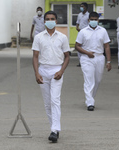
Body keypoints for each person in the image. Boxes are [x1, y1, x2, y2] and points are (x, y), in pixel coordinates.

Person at [32, 11, 70, 143]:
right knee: (48, 103)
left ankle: (55, 130)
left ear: (56, 21)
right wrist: (37, 72)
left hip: (56, 70)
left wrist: (61, 71)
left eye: (52, 19)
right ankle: (53, 128)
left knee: (55, 100)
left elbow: (67, 56)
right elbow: (35, 56)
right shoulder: (39, 37)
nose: (50, 21)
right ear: (44, 21)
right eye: (47, 19)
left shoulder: (62, 37)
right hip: (43, 70)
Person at [75, 12, 111, 111]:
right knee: (89, 80)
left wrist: (109, 61)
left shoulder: (103, 31)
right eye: (92, 19)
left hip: (99, 57)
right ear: (88, 20)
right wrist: (87, 53)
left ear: (98, 20)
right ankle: (90, 103)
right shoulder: (83, 31)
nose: (94, 21)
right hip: (87, 58)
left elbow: (107, 46)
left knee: (97, 80)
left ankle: (90, 98)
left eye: (96, 19)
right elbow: (77, 46)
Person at [76, 2, 90, 67]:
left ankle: (86, 61)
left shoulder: (88, 15)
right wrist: (77, 27)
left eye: (82, 6)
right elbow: (77, 22)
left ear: (86, 7)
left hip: (87, 33)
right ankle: (80, 61)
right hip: (80, 32)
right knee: (78, 46)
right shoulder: (79, 15)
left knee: (86, 46)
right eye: (81, 6)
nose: (81, 8)